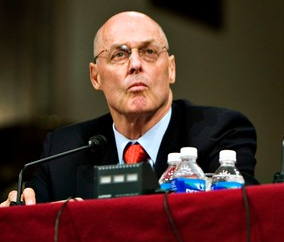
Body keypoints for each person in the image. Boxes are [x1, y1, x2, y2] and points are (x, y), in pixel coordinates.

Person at [2, 11, 258, 206]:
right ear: (95, 77)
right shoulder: (63, 150)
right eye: (119, 55)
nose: (135, 64)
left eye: (148, 52)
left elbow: (241, 216)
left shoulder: (221, 133)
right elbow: (30, 213)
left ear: (171, 68)